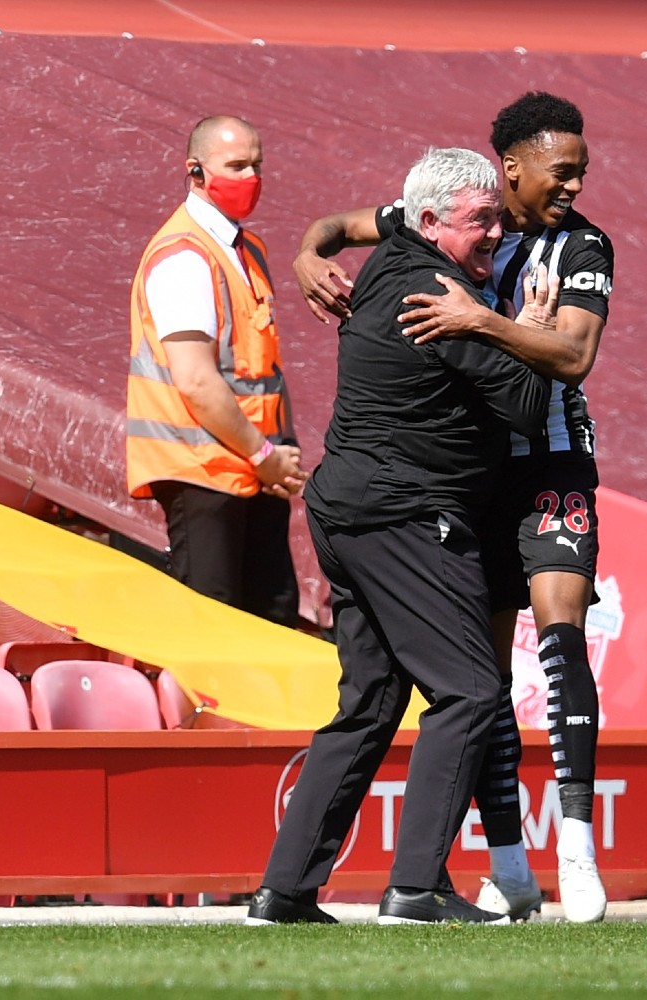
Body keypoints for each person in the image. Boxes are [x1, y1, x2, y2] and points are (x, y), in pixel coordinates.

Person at [292, 91, 613, 923]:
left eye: (580, 170)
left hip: (549, 464)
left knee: (558, 632)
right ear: (509, 170)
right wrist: (302, 253)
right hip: (466, 483)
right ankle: (499, 862)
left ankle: (574, 847)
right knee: (475, 683)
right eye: (561, 170)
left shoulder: (581, 245)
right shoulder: (440, 219)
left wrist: (485, 321)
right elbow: (333, 226)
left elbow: (572, 353)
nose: (574, 185)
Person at [246, 147, 551, 926]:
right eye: (478, 220)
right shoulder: (438, 297)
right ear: (428, 223)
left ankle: (285, 891)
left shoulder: (389, 254)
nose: (494, 232)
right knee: (471, 691)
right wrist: (530, 325)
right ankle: (416, 887)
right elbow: (525, 400)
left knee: (372, 700)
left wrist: (310, 250)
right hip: (405, 512)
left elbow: (346, 222)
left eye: (496, 215)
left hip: (344, 504)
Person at [127, 115, 307, 626]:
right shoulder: (185, 256)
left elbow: (262, 367)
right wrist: (263, 452)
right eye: (236, 166)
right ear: (196, 171)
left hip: (254, 469)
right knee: (212, 627)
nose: (250, 177)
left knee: (272, 621)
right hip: (203, 471)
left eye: (257, 165)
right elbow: (196, 380)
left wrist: (276, 454)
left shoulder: (245, 251)